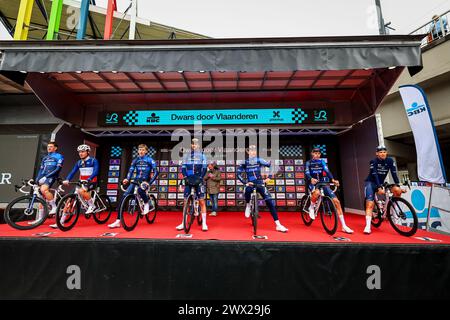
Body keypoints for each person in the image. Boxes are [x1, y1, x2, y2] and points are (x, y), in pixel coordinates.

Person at [237, 145, 288, 233]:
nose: (253, 152)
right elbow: (238, 173)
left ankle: (278, 225)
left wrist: (269, 177)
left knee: (270, 202)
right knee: (247, 190)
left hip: (260, 183)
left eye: (254, 150)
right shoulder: (244, 162)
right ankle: (248, 205)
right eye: (251, 151)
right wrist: (245, 182)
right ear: (247, 152)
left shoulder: (259, 160)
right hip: (250, 183)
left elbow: (272, 166)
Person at [109, 144, 158, 228]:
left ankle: (146, 203)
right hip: (136, 180)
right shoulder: (136, 160)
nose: (141, 151)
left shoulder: (150, 160)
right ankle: (118, 221)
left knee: (140, 190)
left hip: (145, 181)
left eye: (143, 150)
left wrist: (149, 183)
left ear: (146, 151)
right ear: (138, 151)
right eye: (139, 150)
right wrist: (127, 179)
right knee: (124, 196)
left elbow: (156, 172)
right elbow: (131, 170)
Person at [305, 148, 353, 234]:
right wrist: (311, 178)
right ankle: (311, 207)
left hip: (322, 183)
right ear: (312, 154)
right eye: (315, 153)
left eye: (318, 153)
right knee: (317, 193)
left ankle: (344, 226)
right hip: (312, 182)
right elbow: (307, 172)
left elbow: (327, 171)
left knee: (336, 201)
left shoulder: (322, 162)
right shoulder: (308, 162)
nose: (317, 155)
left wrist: (333, 179)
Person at [50, 144, 99, 228]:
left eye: (83, 152)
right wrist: (67, 179)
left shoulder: (93, 161)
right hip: (81, 182)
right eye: (79, 152)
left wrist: (89, 179)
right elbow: (73, 172)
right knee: (68, 201)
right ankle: (61, 222)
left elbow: (96, 172)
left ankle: (92, 205)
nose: (81, 153)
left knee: (81, 191)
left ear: (88, 152)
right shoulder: (79, 162)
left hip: (91, 182)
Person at [363, 145, 405, 234]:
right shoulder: (373, 161)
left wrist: (398, 185)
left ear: (386, 153)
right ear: (377, 154)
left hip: (381, 183)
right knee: (370, 204)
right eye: (380, 152)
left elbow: (394, 173)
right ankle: (367, 226)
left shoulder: (390, 161)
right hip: (371, 182)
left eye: (384, 152)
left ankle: (391, 212)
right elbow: (375, 174)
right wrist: (379, 187)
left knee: (397, 190)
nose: (383, 154)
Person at [176, 138, 209, 231]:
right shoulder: (187, 155)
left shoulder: (202, 155)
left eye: (196, 144)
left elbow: (205, 167)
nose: (194, 146)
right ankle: (183, 223)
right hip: (189, 179)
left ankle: (204, 223)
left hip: (199, 179)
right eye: (193, 144)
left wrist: (201, 178)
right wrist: (185, 177)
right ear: (191, 145)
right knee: (186, 202)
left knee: (202, 201)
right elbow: (183, 168)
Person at [32, 141, 64, 224]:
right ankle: (40, 219)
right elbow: (41, 170)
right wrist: (37, 180)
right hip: (43, 177)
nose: (49, 148)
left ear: (55, 148)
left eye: (51, 146)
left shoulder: (59, 156)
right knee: (41, 197)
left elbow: (58, 169)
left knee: (43, 189)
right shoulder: (45, 158)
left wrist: (46, 177)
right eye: (48, 146)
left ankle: (54, 207)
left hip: (52, 176)